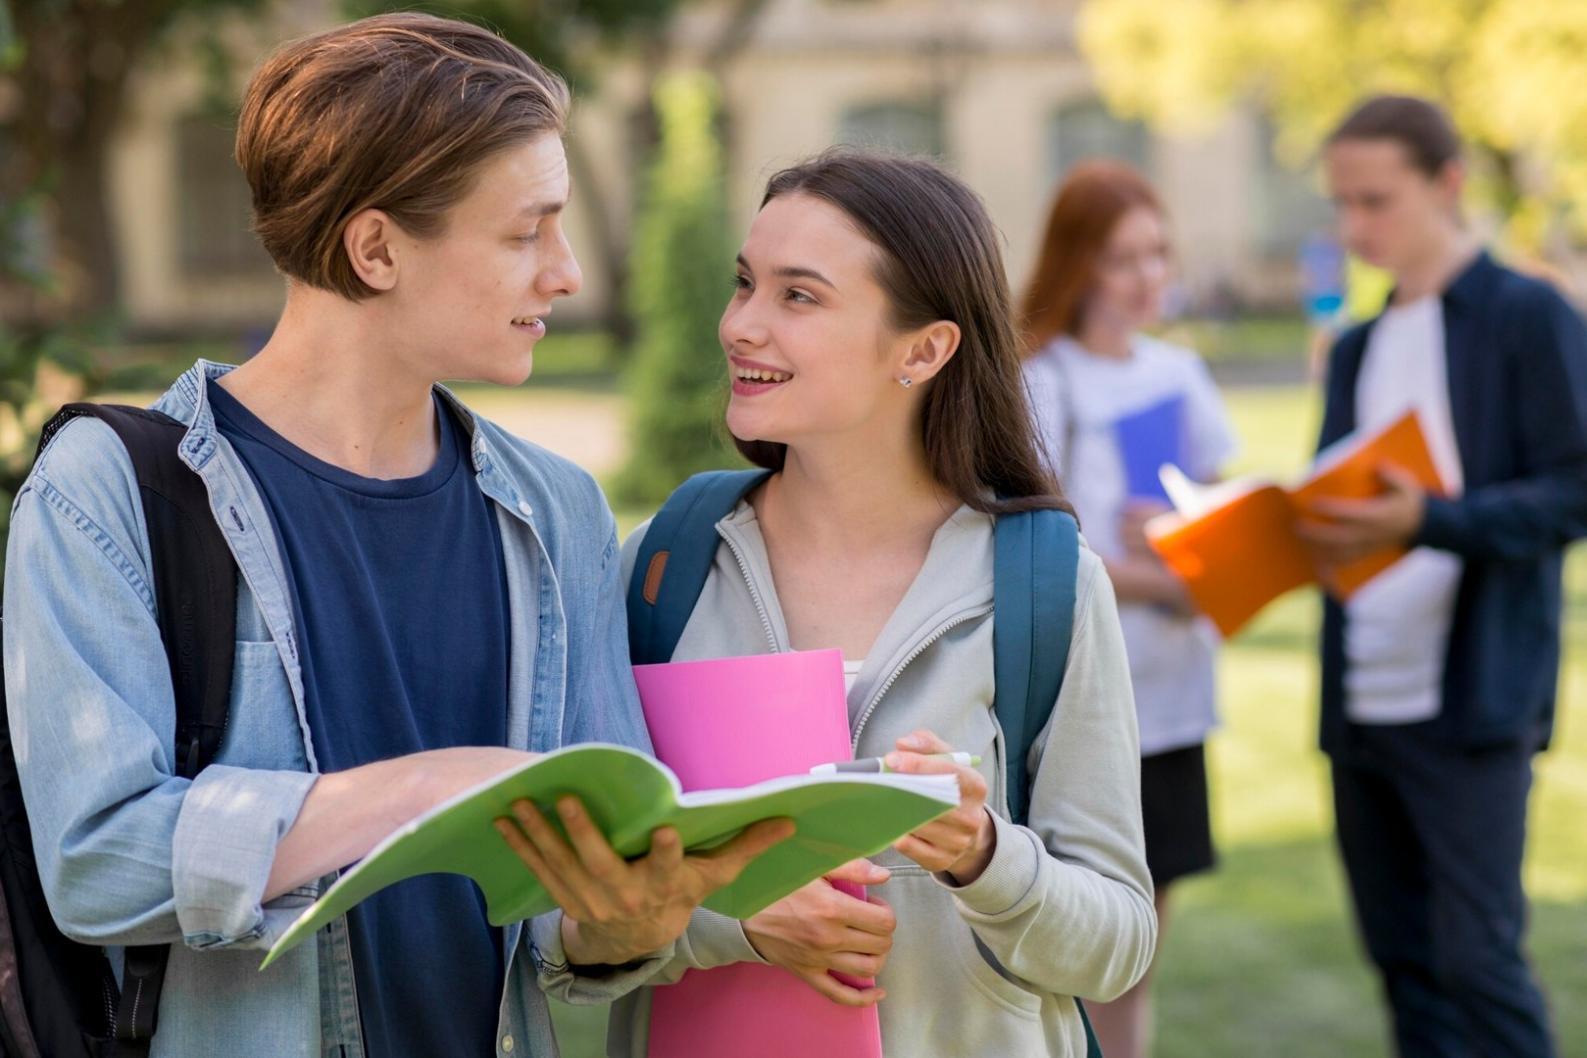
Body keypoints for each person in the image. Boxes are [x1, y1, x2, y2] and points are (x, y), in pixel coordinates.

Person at [1, 14, 785, 1057]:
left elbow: (570, 921)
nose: (568, 273)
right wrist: (416, 790)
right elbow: (96, 860)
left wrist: (628, 920)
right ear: (375, 248)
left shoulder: (557, 511)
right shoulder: (107, 493)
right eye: (525, 232)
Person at [605, 149, 1156, 1058]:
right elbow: (562, 919)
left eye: (798, 296)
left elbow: (1118, 944)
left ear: (925, 349)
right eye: (744, 284)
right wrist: (733, 922)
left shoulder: (1045, 583)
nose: (740, 324)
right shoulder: (663, 566)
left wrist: (983, 854)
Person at [1299, 93, 1587, 1058]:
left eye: (1375, 200)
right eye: (1341, 203)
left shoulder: (1528, 315)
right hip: (1361, 698)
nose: (1353, 227)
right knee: (1405, 968)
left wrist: (1430, 521)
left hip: (1472, 697)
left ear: (1447, 183)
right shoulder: (1355, 346)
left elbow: (1574, 490)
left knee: (1477, 962)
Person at [1019, 160, 1238, 1058]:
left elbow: (1224, 517)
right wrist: (1163, 579)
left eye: (1157, 253)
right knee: (1063, 939)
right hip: (1082, 705)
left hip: (1173, 695)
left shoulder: (1181, 375)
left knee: (1141, 936)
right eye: (1121, 258)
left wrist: (1192, 538)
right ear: (1077, 264)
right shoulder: (1040, 379)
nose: (1147, 277)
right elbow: (1034, 550)